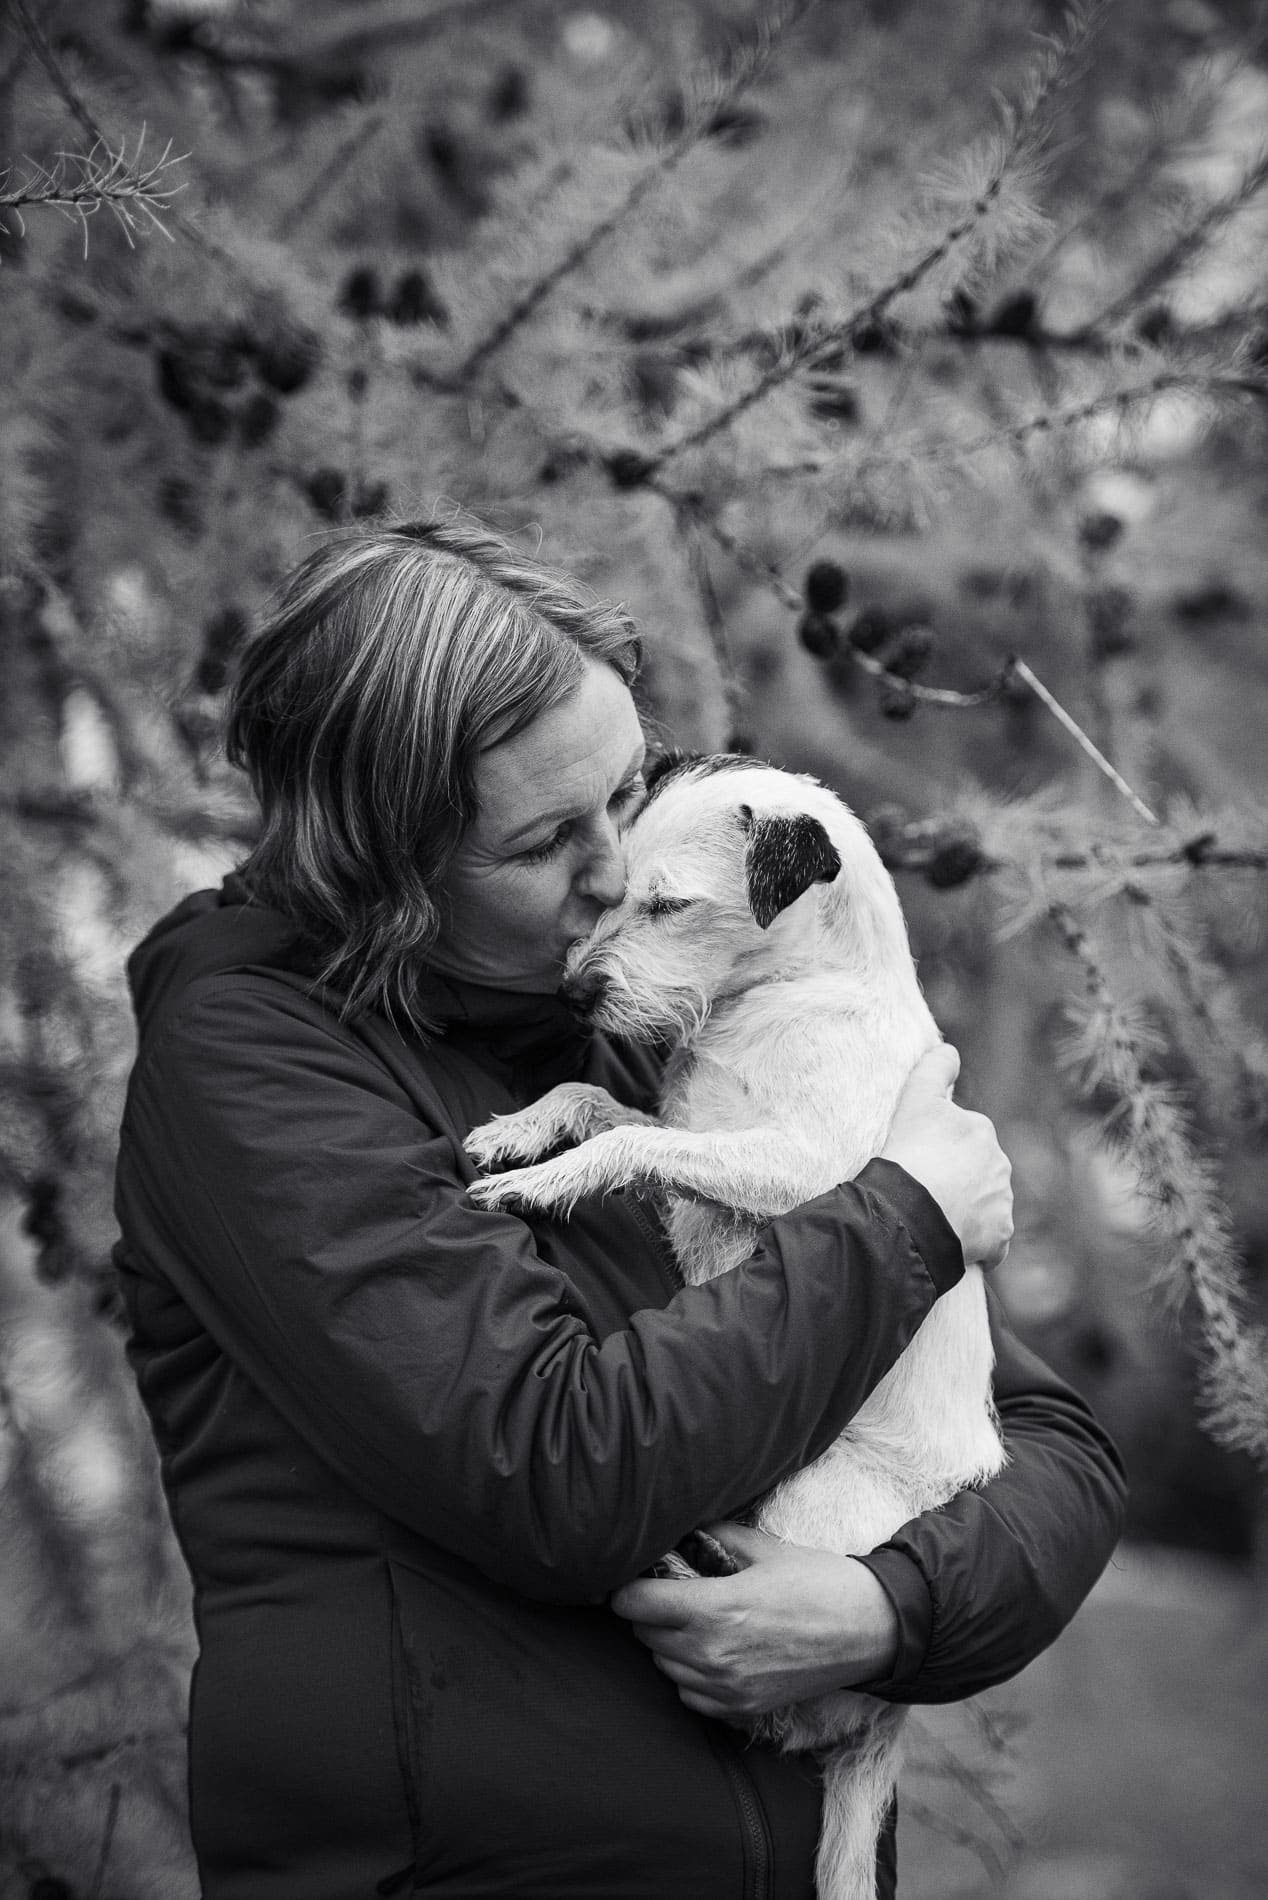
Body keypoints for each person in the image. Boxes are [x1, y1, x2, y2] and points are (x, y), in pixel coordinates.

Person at [113, 517, 1126, 1900]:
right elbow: (557, 1462)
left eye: (629, 787)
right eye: (543, 839)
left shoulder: (631, 1007)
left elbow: (1048, 1447)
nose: (616, 866)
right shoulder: (252, 1066)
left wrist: (889, 1608)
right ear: (382, 870)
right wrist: (904, 1217)